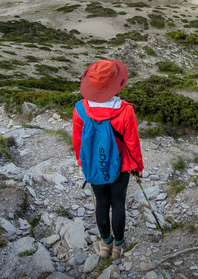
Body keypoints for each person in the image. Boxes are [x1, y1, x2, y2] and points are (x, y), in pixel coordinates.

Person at [72, 59, 144, 260]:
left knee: (101, 203)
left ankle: (105, 243)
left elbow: (77, 142)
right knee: (118, 203)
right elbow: (132, 143)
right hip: (121, 166)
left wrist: (83, 163)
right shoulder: (125, 110)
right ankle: (119, 246)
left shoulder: (80, 109)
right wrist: (138, 168)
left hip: (94, 165)